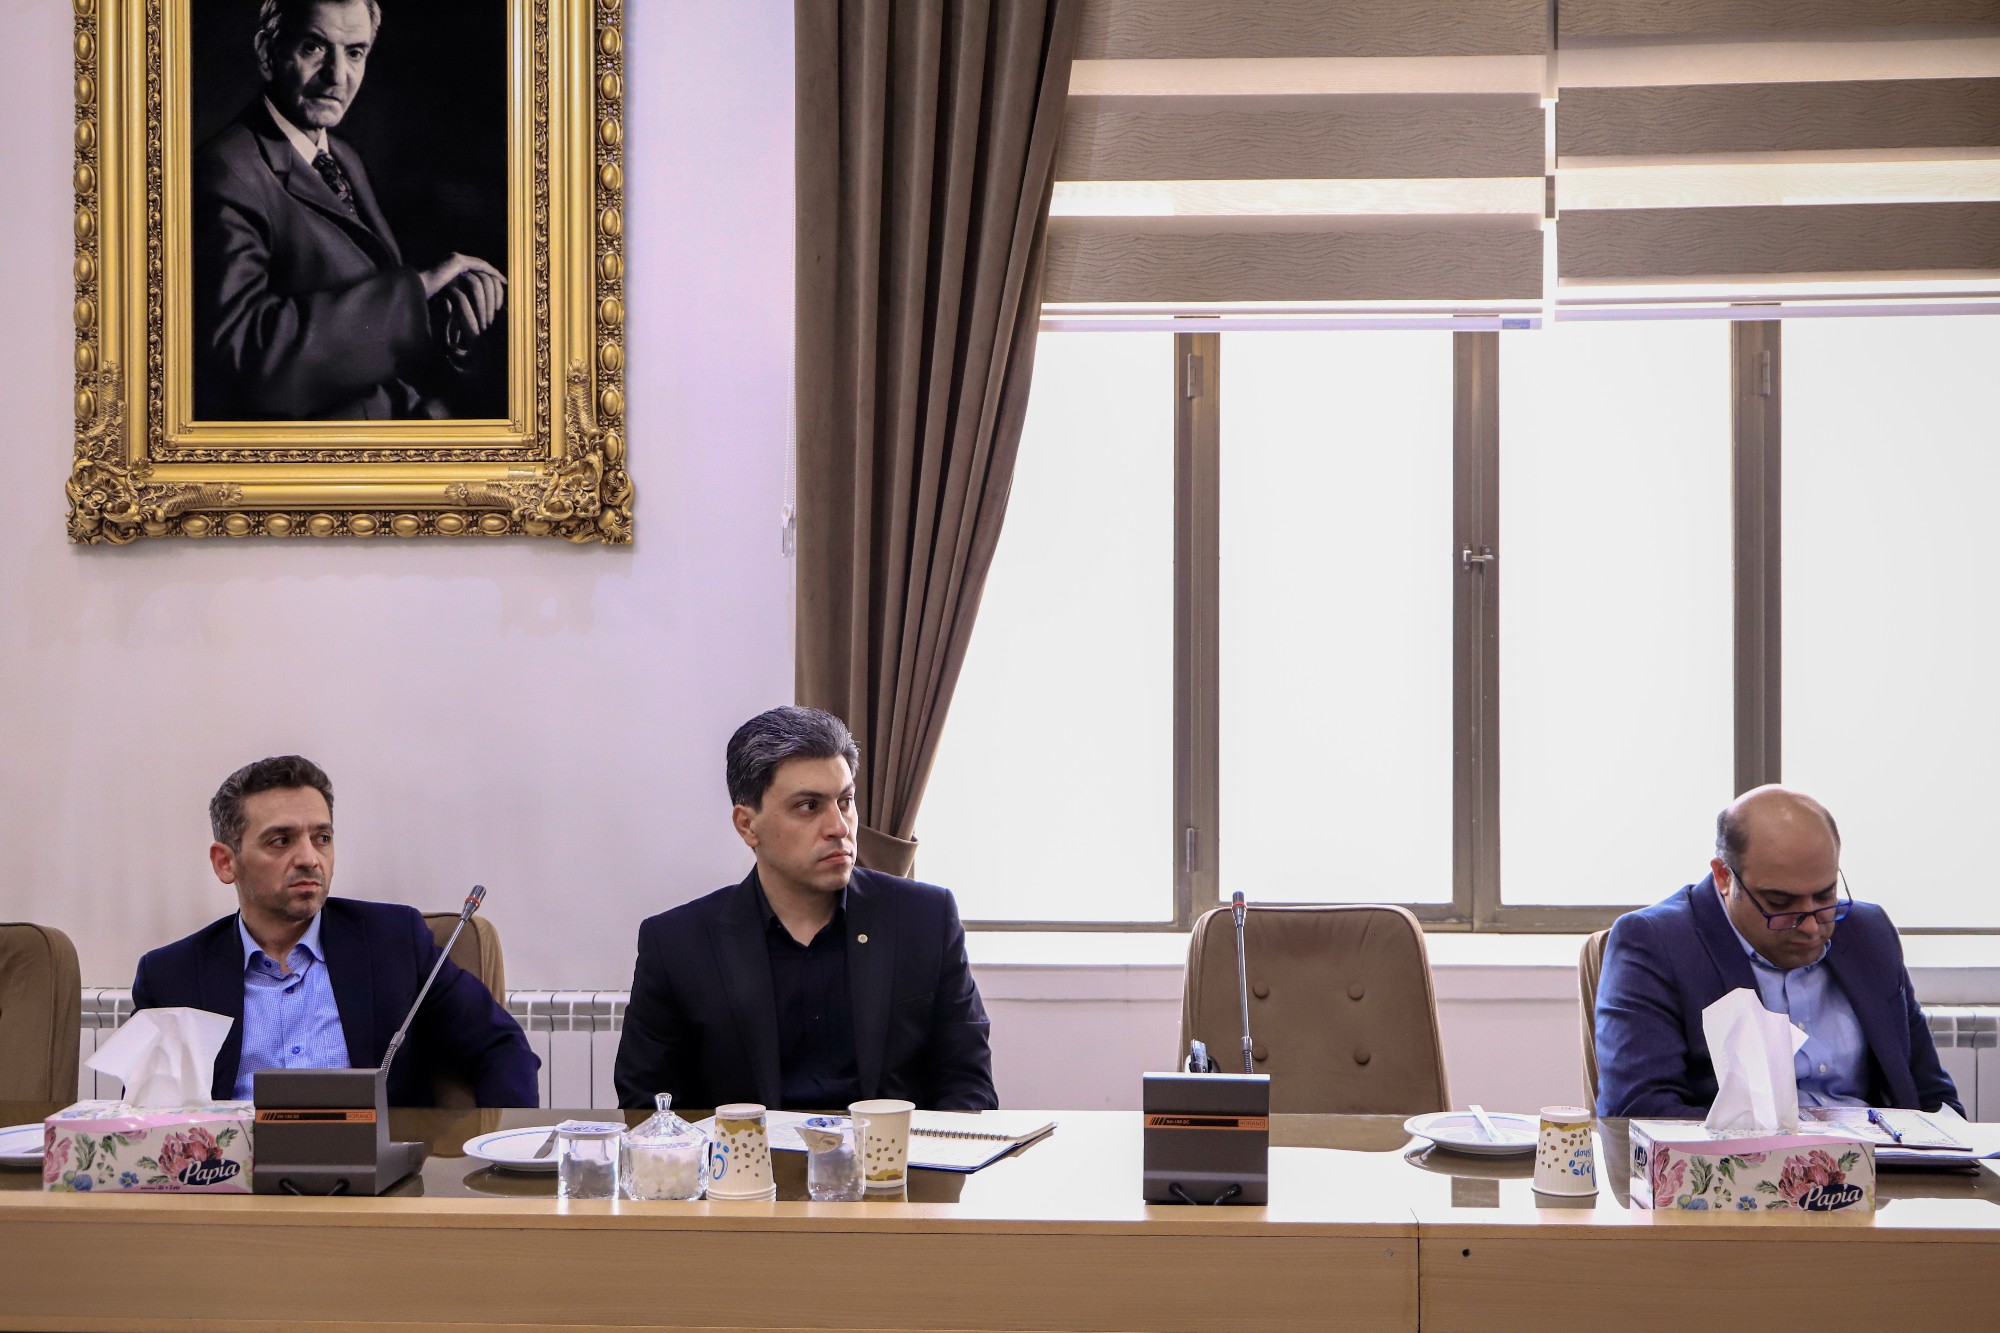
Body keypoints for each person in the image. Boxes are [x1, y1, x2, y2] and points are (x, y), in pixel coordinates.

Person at [614, 707, 997, 1111]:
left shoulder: (926, 919)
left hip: (890, 1152)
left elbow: (968, 1087)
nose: (840, 827)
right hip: (743, 1153)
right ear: (747, 825)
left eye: (845, 802)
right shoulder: (676, 944)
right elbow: (648, 1106)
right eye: (809, 806)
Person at [132, 755, 539, 1106]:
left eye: (322, 838)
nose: (309, 858)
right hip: (236, 1172)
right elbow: (145, 1120)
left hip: (375, 1172)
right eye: (281, 841)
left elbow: (501, 1047)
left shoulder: (394, 941)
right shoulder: (172, 977)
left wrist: (499, 1155)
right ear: (226, 863)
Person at [191, 0, 505, 419]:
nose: (338, 76)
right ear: (267, 53)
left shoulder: (342, 156)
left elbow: (360, 301)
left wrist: (440, 312)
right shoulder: (225, 170)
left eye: (354, 52)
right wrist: (416, 291)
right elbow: (245, 358)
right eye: (313, 47)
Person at [1594, 785, 1959, 1119]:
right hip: (1739, 1166)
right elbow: (1638, 1112)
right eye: (1780, 903)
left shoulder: (1868, 932)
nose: (1811, 926)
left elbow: (1934, 1099)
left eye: (1825, 896)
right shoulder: (1656, 943)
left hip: (1883, 1161)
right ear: (1724, 877)